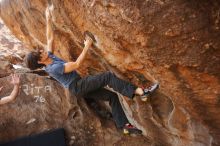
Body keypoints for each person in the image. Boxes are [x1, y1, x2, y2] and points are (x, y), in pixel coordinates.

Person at [25, 6, 159, 135]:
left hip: (79, 86)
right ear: (40, 61)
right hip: (78, 86)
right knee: (107, 77)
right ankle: (141, 92)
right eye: (40, 53)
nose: (42, 51)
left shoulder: (50, 57)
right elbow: (76, 64)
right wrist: (86, 46)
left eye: (41, 51)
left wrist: (48, 18)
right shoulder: (53, 68)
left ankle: (124, 126)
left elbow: (50, 38)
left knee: (112, 96)